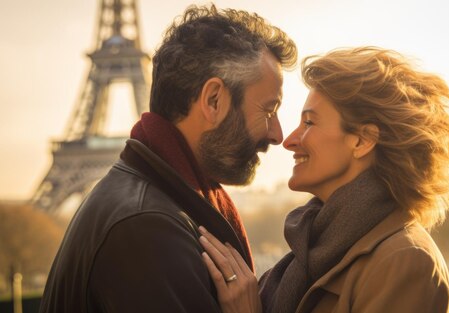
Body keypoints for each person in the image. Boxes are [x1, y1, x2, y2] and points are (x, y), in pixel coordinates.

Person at [39, 4, 296, 312]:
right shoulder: (147, 230)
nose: (277, 135)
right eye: (268, 110)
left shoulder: (149, 208)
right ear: (214, 100)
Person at [198, 47, 449, 313]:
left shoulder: (404, 261)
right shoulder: (320, 248)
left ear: (363, 140)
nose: (289, 140)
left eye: (309, 123)